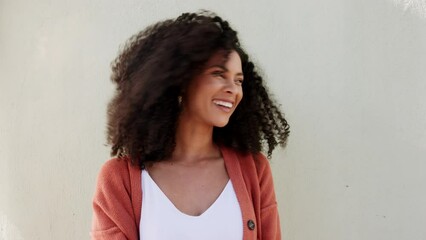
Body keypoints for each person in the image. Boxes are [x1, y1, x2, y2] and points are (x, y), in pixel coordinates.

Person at [91, 11, 290, 240]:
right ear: (182, 80)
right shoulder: (120, 179)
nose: (233, 89)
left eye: (238, 80)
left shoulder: (254, 171)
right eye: (218, 74)